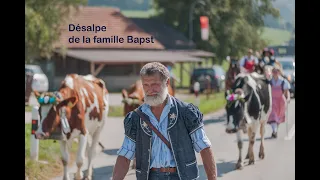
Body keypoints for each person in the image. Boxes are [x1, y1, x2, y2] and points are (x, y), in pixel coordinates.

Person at [112, 62, 217, 180]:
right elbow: (125, 156)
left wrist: (212, 178)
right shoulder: (135, 118)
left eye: (155, 84)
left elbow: (204, 148)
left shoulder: (186, 112)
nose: (150, 90)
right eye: (146, 85)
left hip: (181, 177)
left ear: (167, 82)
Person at [267, 65, 291, 138]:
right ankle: (274, 131)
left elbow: (287, 92)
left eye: (276, 71)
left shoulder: (283, 81)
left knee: (278, 118)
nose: (275, 73)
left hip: (281, 101)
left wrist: (288, 98)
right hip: (272, 101)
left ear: (279, 72)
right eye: (273, 72)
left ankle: (275, 130)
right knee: (273, 117)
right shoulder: (270, 82)